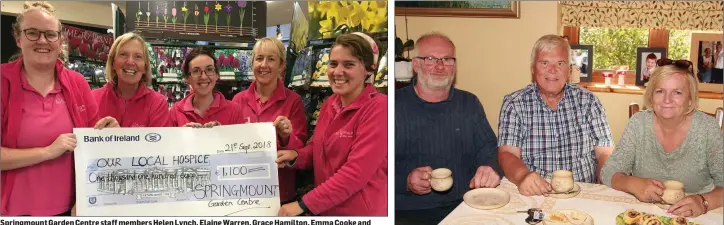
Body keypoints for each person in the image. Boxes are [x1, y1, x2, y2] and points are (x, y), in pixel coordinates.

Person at [0, 2, 118, 216]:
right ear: (19, 39)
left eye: (50, 34)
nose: (43, 41)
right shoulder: (2, 82)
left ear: (60, 40)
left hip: (69, 209)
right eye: (33, 33)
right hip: (13, 210)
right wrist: (47, 152)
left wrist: (108, 134)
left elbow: (92, 146)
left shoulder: (77, 83)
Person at [394, 32, 501, 225]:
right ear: (416, 65)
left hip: (465, 206)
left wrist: (490, 167)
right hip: (407, 211)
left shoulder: (469, 103)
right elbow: (371, 171)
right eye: (431, 59)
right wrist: (406, 181)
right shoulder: (390, 106)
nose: (440, 66)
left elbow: (490, 149)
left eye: (447, 59)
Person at [275, 32, 387, 216]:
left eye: (349, 64)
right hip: (328, 210)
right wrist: (295, 156)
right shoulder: (330, 104)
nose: (337, 72)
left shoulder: (379, 108)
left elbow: (355, 173)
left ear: (369, 69)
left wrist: (303, 205)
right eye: (333, 64)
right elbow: (317, 148)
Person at [601, 59, 723, 218]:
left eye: (677, 92)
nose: (667, 100)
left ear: (690, 99)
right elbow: (608, 173)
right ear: (651, 96)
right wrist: (632, 183)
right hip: (644, 215)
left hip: (696, 217)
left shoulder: (708, 129)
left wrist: (704, 201)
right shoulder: (638, 124)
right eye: (660, 91)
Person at [497, 35, 614, 196]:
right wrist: (523, 176)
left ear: (569, 70)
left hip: (583, 193)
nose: (552, 70)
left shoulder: (589, 102)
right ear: (533, 68)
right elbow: (507, 153)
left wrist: (602, 188)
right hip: (536, 194)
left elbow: (605, 152)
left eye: (560, 63)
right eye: (544, 63)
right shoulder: (514, 104)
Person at [232, 37, 308, 204]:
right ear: (252, 63)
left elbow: (301, 149)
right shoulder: (238, 100)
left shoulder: (293, 101)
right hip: (243, 192)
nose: (264, 65)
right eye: (259, 58)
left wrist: (286, 136)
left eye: (271, 59)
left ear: (281, 66)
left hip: (280, 194)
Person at [92, 32, 170, 127]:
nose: (130, 62)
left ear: (145, 66)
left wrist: (118, 137)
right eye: (123, 54)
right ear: (113, 62)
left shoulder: (158, 103)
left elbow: (159, 141)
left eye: (138, 57)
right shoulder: (93, 99)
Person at [169, 47, 245, 127]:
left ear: (217, 75)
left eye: (209, 69)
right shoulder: (176, 112)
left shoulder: (234, 110)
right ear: (187, 78)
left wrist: (223, 134)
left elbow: (240, 139)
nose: (203, 77)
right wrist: (181, 135)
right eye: (196, 71)